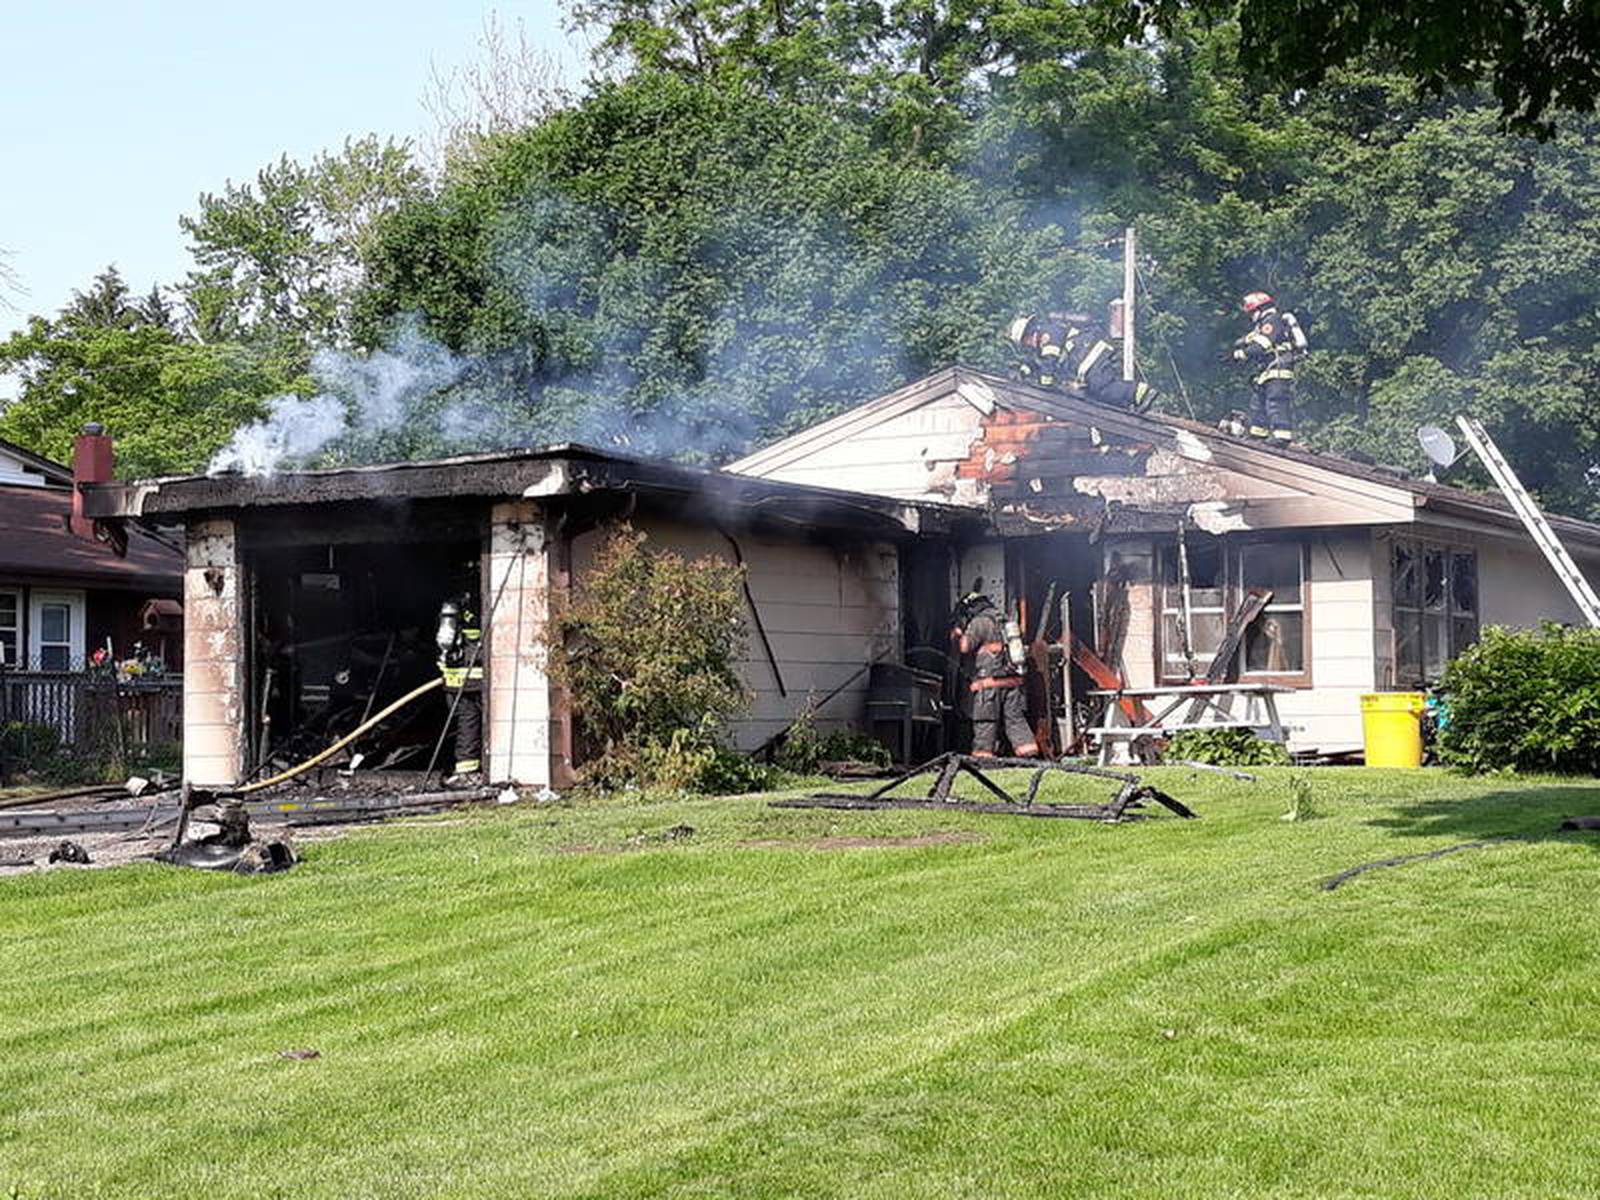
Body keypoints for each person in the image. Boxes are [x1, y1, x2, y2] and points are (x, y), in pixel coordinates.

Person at [1007, 313, 1157, 411]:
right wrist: (1022, 372)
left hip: (1093, 355)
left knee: (1100, 386)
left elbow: (1049, 364)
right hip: (1089, 360)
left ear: (1029, 334)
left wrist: (1045, 386)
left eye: (1025, 342)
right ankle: (1126, 407)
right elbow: (1036, 363)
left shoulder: (1049, 335)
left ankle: (1142, 392)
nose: (1027, 345)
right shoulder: (1044, 342)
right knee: (1094, 395)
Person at [952, 591, 1038, 759]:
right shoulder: (1005, 621)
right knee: (1015, 720)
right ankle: (1030, 754)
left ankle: (983, 759)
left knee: (985, 722)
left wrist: (958, 633)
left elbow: (965, 647)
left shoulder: (980, 622)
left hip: (990, 684)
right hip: (1013, 682)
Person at [1231, 291, 1307, 441]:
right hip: (1267, 370)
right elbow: (1251, 340)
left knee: (1275, 401)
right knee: (1258, 402)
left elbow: (1261, 346)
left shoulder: (1272, 321)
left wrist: (1238, 354)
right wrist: (1239, 345)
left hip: (1279, 368)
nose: (1251, 316)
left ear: (1260, 309)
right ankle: (1258, 434)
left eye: (1252, 312)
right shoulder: (1264, 324)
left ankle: (1282, 436)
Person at [435, 593, 483, 783]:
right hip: (474, 681)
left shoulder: (450, 614)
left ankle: (466, 769)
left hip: (453, 682)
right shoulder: (478, 612)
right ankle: (470, 770)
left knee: (466, 725)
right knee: (475, 724)